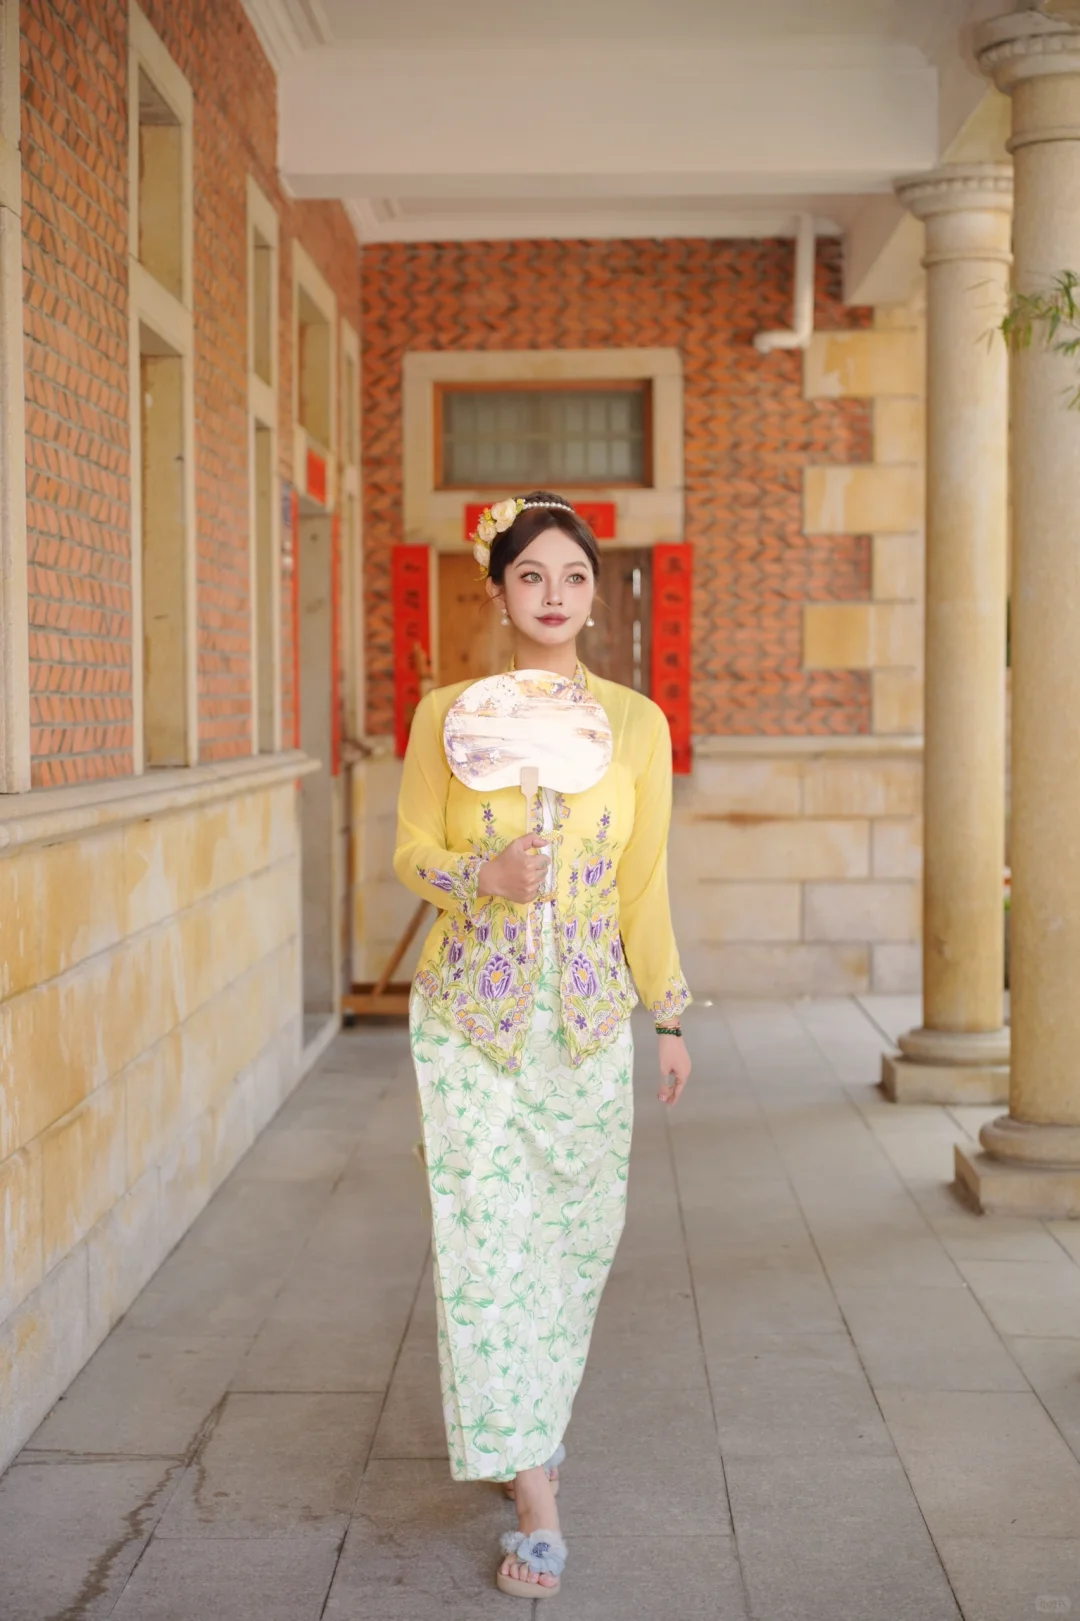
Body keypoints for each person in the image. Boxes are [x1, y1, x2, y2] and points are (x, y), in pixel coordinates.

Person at [393, 490, 692, 1600]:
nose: (554, 595)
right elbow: (409, 851)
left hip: (586, 1020)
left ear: (596, 593)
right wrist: (483, 876)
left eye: (574, 576)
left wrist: (666, 1013)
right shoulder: (446, 716)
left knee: (573, 1241)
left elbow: (643, 883)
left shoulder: (637, 725)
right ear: (498, 589)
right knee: (487, 1245)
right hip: (469, 1022)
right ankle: (536, 1497)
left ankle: (530, 1419)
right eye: (531, 575)